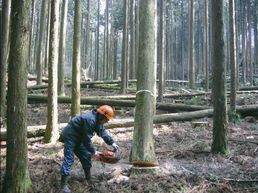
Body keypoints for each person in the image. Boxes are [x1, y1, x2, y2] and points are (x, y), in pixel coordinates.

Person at [59, 105, 119, 193]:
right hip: (70, 136)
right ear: (102, 115)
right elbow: (86, 139)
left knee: (86, 157)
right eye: (106, 120)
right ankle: (63, 186)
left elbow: (102, 132)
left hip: (79, 138)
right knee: (69, 159)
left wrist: (112, 143)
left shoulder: (98, 120)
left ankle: (88, 179)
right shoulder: (89, 120)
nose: (106, 122)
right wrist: (94, 151)